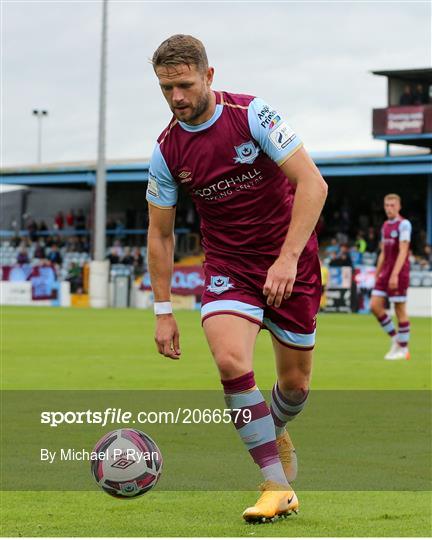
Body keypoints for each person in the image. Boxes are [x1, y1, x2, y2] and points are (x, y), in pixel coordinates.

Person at [146, 35, 327, 522]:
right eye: (166, 89)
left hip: (291, 262)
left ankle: (276, 427)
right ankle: (275, 483)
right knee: (229, 360)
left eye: (184, 84)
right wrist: (164, 312)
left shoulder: (251, 114)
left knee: (295, 387)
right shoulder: (166, 151)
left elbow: (313, 182)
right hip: (229, 267)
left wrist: (287, 259)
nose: (176, 97)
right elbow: (160, 236)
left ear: (209, 76)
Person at [370, 194, 412, 360]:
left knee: (399, 309)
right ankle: (396, 340)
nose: (389, 208)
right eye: (387, 205)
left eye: (392, 205)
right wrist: (377, 272)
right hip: (386, 272)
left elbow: (403, 251)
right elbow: (383, 253)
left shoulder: (404, 225)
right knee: (374, 306)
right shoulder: (386, 225)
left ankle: (403, 349)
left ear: (399, 206)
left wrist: (395, 274)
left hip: (399, 272)